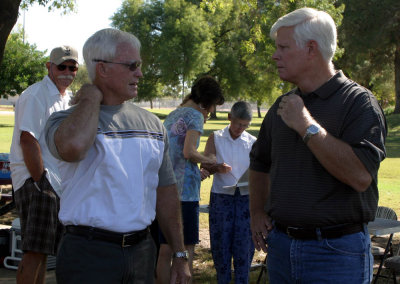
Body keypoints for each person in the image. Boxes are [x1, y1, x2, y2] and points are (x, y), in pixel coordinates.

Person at [249, 7, 387, 284]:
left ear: (311, 49)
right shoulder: (281, 105)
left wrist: (305, 125)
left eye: (283, 47)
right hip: (281, 248)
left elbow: (360, 176)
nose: (275, 55)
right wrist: (256, 212)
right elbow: (260, 161)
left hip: (337, 253)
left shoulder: (359, 103)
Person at [44, 28, 190, 284]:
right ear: (102, 69)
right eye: (132, 65)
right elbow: (74, 146)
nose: (140, 73)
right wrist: (90, 97)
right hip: (87, 255)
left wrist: (179, 253)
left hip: (142, 251)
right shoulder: (64, 121)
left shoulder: (153, 125)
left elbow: (166, 192)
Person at [9, 45, 78, 284]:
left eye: (72, 67)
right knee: (35, 251)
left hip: (56, 181)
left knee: (45, 251)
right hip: (37, 179)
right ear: (49, 67)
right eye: (62, 66)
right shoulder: (36, 94)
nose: (67, 71)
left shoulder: (67, 98)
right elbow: (27, 139)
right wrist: (39, 181)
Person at [156, 76, 225, 284]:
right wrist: (210, 160)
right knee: (187, 251)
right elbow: (189, 152)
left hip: (165, 190)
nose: (210, 114)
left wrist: (197, 170)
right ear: (207, 101)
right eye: (212, 108)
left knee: (165, 249)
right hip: (185, 194)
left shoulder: (174, 114)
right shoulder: (195, 115)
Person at [201, 101, 256, 284]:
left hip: (245, 199)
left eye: (245, 125)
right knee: (221, 246)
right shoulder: (215, 137)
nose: (241, 128)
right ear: (229, 117)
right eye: (238, 123)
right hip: (221, 198)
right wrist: (217, 167)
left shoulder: (252, 142)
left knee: (244, 247)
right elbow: (205, 166)